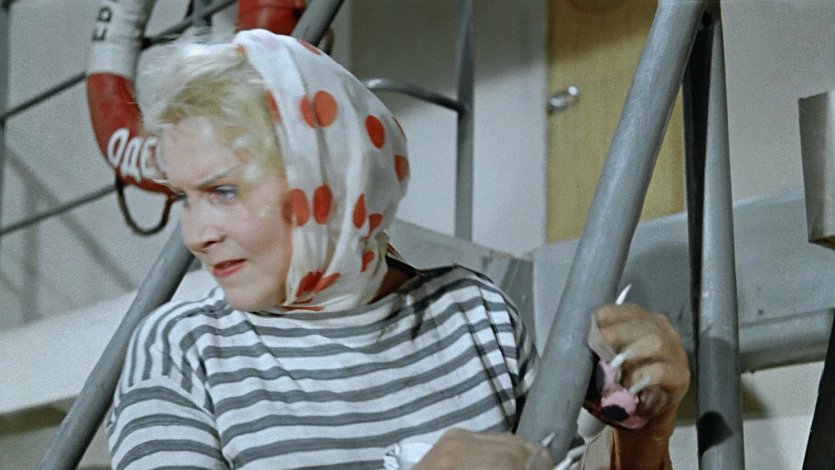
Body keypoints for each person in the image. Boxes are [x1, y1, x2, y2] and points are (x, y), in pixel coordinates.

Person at [106, 29, 690, 469]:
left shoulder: (475, 313)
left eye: (223, 191)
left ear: (329, 177)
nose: (195, 235)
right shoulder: (183, 349)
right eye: (184, 197)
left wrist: (641, 440)